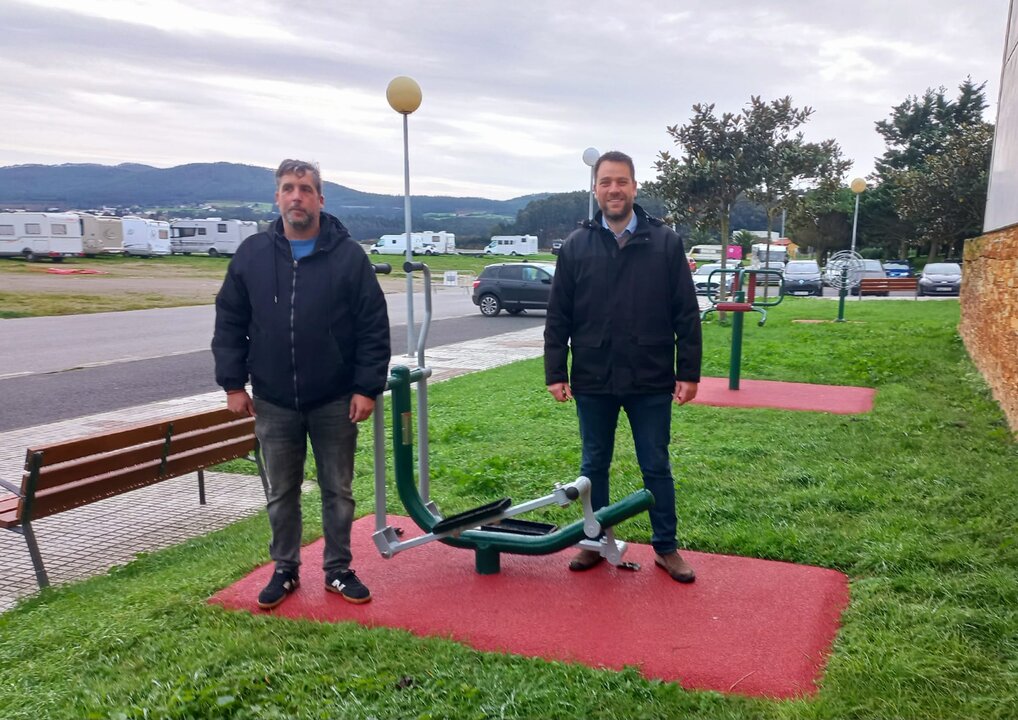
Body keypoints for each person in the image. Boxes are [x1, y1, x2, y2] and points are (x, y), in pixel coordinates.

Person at [212, 159, 390, 609]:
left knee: (338, 491)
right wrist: (234, 384)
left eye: (306, 189)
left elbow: (373, 327)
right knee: (281, 493)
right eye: (289, 188)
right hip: (273, 402)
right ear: (277, 197)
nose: (297, 196)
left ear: (319, 199)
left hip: (334, 400)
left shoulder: (349, 257)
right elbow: (230, 322)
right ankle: (285, 569)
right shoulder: (252, 254)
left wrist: (367, 387)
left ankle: (338, 570)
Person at [544, 150, 702, 583]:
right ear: (595, 189)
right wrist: (555, 371)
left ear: (635, 187)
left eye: (622, 181)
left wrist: (688, 372)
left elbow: (685, 314)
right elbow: (559, 315)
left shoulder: (665, 242)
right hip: (593, 377)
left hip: (651, 378)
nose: (614, 189)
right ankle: (596, 542)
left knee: (656, 465)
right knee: (593, 464)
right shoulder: (577, 246)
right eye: (606, 182)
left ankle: (666, 548)